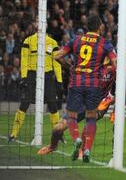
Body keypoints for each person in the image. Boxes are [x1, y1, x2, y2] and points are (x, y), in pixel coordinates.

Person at [54, 14, 116, 163]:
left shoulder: (77, 40)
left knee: (66, 122)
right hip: (94, 93)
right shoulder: (105, 46)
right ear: (100, 26)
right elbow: (116, 63)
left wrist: (69, 66)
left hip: (78, 87)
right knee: (91, 120)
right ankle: (84, 149)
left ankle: (62, 144)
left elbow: (57, 56)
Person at [37, 57, 115, 156]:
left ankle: (82, 150)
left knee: (90, 123)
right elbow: (61, 60)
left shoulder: (113, 68)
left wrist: (112, 100)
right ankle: (52, 146)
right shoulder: (85, 66)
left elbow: (118, 86)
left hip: (98, 104)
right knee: (58, 128)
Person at [9, 24, 62, 142]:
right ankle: (14, 134)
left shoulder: (53, 43)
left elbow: (57, 63)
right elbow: (24, 59)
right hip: (32, 76)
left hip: (47, 77)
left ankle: (58, 136)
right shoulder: (28, 41)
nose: (40, 25)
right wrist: (24, 77)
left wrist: (59, 80)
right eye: (37, 23)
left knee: (53, 105)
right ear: (35, 26)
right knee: (24, 104)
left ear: (46, 25)